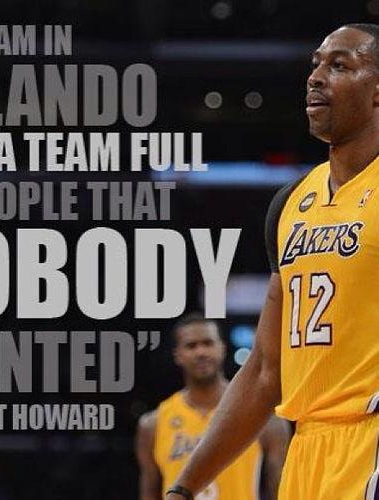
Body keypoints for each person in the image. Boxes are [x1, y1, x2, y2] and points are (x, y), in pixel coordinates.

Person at [166, 23, 379, 500]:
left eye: (340, 65)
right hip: (307, 450)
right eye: (316, 64)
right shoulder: (290, 203)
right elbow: (265, 370)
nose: (316, 77)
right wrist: (184, 488)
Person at [136, 315, 290, 500]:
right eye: (191, 346)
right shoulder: (153, 424)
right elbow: (149, 492)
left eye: (208, 343)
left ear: (222, 348)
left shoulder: (263, 417)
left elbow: (281, 491)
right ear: (178, 355)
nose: (201, 352)